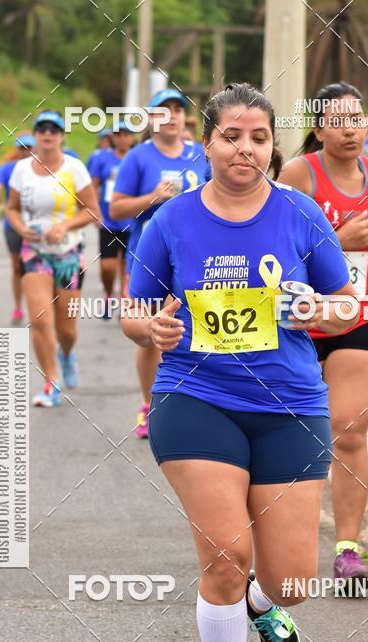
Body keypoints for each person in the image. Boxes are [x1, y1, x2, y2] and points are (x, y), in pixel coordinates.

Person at [121, 82, 359, 642]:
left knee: (292, 582)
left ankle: (262, 602)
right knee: (226, 556)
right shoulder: (171, 221)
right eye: (231, 136)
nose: (244, 149)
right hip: (195, 398)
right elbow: (133, 310)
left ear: (272, 145)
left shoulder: (300, 214)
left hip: (290, 405)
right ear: (207, 143)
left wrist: (316, 309)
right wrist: (153, 328)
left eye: (258, 138)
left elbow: (348, 303)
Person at [278, 81, 368, 590]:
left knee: (349, 430)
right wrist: (336, 239)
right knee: (287, 429)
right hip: (299, 316)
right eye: (338, 121)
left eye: (358, 119)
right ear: (319, 130)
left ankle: (347, 551)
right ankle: (270, 538)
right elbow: (276, 249)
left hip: (359, 313)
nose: (351, 129)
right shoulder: (298, 175)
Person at [110, 87, 210, 438]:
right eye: (163, 110)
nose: (171, 116)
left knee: (191, 330)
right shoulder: (138, 157)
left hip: (196, 258)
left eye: (177, 110)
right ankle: (148, 403)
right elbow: (115, 209)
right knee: (151, 332)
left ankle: (194, 402)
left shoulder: (200, 154)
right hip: (148, 259)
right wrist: (152, 197)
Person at [6, 110, 99, 407]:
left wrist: (65, 226)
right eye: (42, 128)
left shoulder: (74, 168)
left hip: (68, 256)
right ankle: (51, 382)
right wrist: (21, 228)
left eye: (54, 129)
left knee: (67, 330)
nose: (48, 133)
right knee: (40, 319)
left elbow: (92, 210)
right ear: (35, 134)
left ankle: (67, 354)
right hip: (34, 253)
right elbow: (12, 209)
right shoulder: (21, 169)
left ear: (62, 136)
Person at [88, 122, 134, 318]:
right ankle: (108, 295)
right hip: (109, 221)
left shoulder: (136, 157)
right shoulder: (102, 158)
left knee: (127, 266)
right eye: (117, 134)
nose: (121, 138)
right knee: (108, 266)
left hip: (132, 222)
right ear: (112, 137)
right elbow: (92, 186)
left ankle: (125, 303)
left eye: (125, 134)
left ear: (131, 137)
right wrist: (94, 211)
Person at [0, 133, 35, 325]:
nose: (25, 151)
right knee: (17, 267)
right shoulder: (8, 168)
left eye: (29, 148)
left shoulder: (40, 167)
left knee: (36, 268)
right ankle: (18, 307)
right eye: (22, 148)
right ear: (17, 149)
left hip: (35, 225)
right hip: (13, 224)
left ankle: (38, 306)